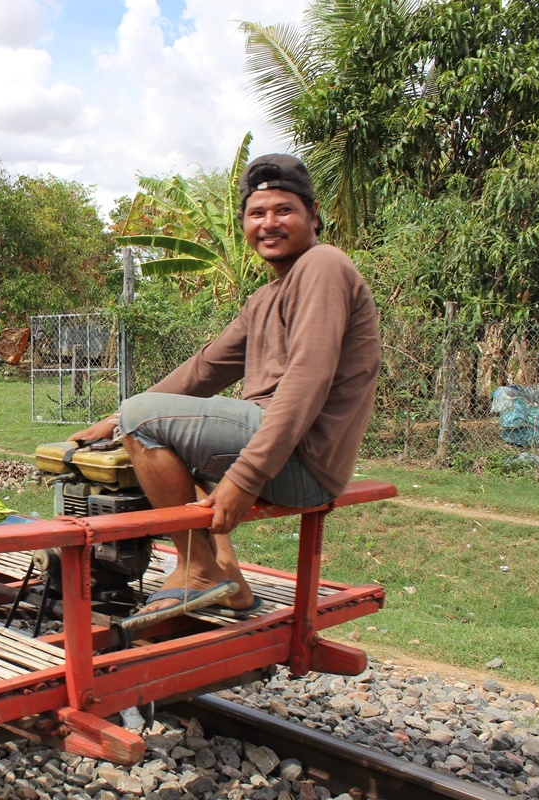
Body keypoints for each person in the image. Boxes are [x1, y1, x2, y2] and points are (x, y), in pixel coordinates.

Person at [72, 154, 380, 622]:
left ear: (313, 216)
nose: (269, 223)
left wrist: (243, 477)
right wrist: (117, 420)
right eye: (257, 214)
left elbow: (306, 383)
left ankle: (199, 570)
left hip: (304, 459)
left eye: (284, 210)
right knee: (148, 421)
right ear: (244, 224)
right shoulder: (265, 297)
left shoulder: (323, 266)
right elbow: (206, 368)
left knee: (147, 420)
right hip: (285, 449)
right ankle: (230, 576)